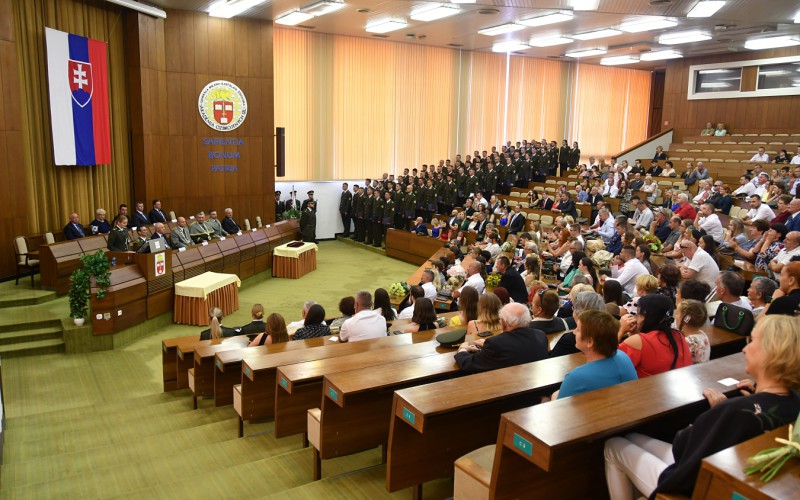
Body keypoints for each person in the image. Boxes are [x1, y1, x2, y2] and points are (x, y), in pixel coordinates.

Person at [604, 315, 800, 499]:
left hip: (693, 487)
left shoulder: (737, 411)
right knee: (631, 437)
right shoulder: (793, 402)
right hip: (728, 471)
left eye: (753, 341)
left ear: (771, 352)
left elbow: (683, 446)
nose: (745, 349)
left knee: (613, 445)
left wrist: (716, 414)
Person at [554, 310, 637, 399]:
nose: (574, 332)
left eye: (578, 329)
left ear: (590, 341)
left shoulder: (575, 378)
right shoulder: (623, 357)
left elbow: (560, 408)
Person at [455, 303, 547, 374]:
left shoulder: (496, 344)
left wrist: (463, 349)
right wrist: (487, 345)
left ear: (504, 323)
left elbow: (468, 364)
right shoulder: (541, 335)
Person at [617, 295, 692, 378]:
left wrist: (620, 331)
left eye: (638, 312)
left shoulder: (639, 341)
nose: (636, 317)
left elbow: (609, 364)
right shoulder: (678, 336)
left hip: (643, 389)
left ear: (644, 315)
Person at [676, 299, 710, 364]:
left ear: (685, 319)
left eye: (677, 313)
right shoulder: (703, 334)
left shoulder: (687, 342)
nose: (676, 317)